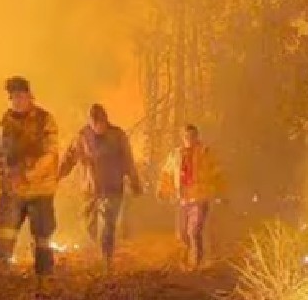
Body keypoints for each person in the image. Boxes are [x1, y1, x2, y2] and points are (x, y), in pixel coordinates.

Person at [0, 76, 59, 275]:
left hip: (39, 189)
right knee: (3, 232)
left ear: (29, 96)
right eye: (12, 96)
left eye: (19, 95)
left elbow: (50, 155)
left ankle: (44, 280)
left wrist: (27, 175)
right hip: (12, 189)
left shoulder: (45, 120)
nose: (16, 100)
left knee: (42, 236)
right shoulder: (5, 121)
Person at [58, 103, 143, 269]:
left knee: (108, 224)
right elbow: (69, 158)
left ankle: (106, 260)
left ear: (106, 120)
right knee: (89, 226)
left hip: (113, 187)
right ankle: (99, 250)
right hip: (90, 190)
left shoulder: (117, 136)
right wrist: (57, 176)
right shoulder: (81, 137)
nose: (99, 127)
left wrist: (134, 182)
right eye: (95, 123)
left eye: (101, 123)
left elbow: (128, 160)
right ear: (90, 122)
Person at [156, 123, 225, 269]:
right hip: (183, 198)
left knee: (194, 231)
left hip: (200, 197)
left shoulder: (205, 152)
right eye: (186, 136)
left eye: (192, 136)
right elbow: (166, 174)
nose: (189, 139)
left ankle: (196, 262)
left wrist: (220, 191)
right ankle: (185, 258)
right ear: (182, 137)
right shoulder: (176, 154)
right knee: (181, 233)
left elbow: (217, 173)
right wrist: (162, 190)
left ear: (197, 136)